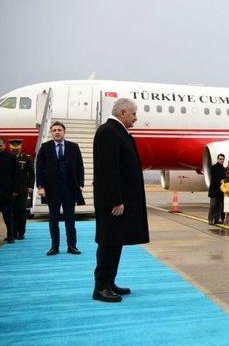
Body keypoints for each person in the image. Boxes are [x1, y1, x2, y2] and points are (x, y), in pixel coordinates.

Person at [93, 98, 150, 303]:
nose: (136, 117)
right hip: (113, 203)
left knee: (115, 242)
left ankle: (109, 282)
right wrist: (115, 200)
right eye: (134, 113)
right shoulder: (109, 132)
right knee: (108, 242)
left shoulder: (117, 131)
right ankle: (100, 287)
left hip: (119, 201)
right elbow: (108, 171)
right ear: (123, 112)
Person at [36, 121, 84, 256]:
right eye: (54, 130)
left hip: (69, 189)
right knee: (53, 220)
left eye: (59, 130)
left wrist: (80, 185)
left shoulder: (74, 147)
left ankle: (72, 246)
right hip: (52, 190)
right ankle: (54, 247)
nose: (57, 132)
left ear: (64, 132)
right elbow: (39, 168)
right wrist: (40, 186)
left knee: (70, 219)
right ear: (51, 133)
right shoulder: (45, 147)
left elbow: (80, 166)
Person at [9, 139, 35, 240]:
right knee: (11, 212)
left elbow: (31, 174)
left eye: (17, 149)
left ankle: (21, 232)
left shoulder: (26, 158)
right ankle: (12, 233)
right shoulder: (6, 157)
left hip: (22, 190)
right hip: (9, 190)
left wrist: (30, 186)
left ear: (20, 148)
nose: (15, 150)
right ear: (10, 148)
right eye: (13, 149)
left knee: (21, 211)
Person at [0, 138, 19, 243]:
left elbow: (17, 175)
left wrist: (15, 190)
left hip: (6, 193)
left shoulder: (11, 157)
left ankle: (10, 236)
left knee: (8, 217)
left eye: (0, 145)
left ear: (4, 145)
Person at [208, 153, 226, 225]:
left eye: (223, 159)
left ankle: (216, 219)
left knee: (219, 206)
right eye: (220, 159)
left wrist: (224, 180)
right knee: (213, 205)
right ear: (217, 159)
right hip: (214, 190)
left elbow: (225, 178)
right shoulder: (213, 167)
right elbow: (213, 178)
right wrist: (220, 181)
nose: (222, 160)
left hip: (221, 190)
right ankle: (210, 219)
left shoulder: (224, 169)